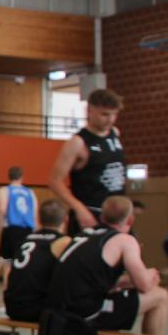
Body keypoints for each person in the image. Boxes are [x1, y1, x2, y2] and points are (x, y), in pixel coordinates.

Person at [48, 196, 168, 335]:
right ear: (130, 220)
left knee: (117, 295)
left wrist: (127, 281)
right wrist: (149, 275)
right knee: (160, 296)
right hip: (82, 313)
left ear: (102, 217)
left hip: (57, 309)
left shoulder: (84, 234)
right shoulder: (125, 240)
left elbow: (97, 280)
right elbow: (144, 285)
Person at [49, 88, 126, 233]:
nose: (110, 119)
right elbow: (54, 181)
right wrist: (79, 209)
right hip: (91, 214)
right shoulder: (77, 143)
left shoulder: (115, 133)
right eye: (105, 114)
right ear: (89, 110)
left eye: (114, 114)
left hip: (116, 213)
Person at [3, 199, 67, 323]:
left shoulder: (25, 240)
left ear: (38, 218)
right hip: (38, 310)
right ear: (66, 219)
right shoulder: (62, 242)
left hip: (12, 307)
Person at [0, 166, 38, 295]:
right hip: (28, 231)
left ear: (9, 176)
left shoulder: (5, 190)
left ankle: (4, 291)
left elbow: (2, 209)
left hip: (12, 229)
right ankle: (22, 291)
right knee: (24, 262)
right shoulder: (30, 192)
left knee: (6, 262)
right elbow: (35, 213)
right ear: (22, 177)